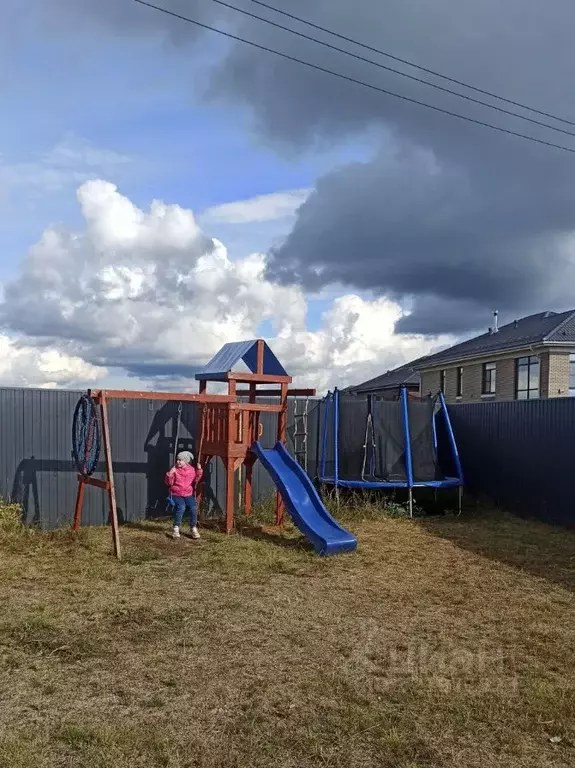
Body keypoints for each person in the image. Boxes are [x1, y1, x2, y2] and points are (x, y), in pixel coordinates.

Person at [165, 450, 203, 540]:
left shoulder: (192, 470)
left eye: (180, 460)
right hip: (176, 493)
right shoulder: (175, 470)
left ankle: (193, 527)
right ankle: (176, 528)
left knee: (194, 507)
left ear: (186, 461)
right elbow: (168, 483)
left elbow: (196, 480)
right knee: (181, 507)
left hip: (188, 494)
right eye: (177, 459)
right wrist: (170, 474)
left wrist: (199, 470)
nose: (178, 461)